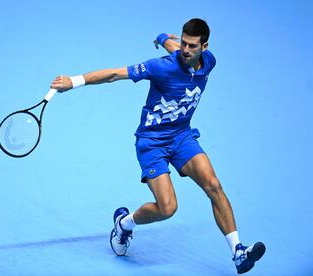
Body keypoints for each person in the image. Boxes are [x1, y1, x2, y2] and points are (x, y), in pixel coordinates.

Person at [50, 18, 265, 274]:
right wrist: (73, 82)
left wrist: (163, 37)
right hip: (152, 142)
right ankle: (124, 224)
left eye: (192, 46)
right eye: (183, 43)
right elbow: (115, 74)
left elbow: (173, 47)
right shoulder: (161, 68)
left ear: (204, 47)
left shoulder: (209, 62)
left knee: (214, 185)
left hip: (182, 137)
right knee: (167, 208)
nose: (185, 50)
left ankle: (237, 251)